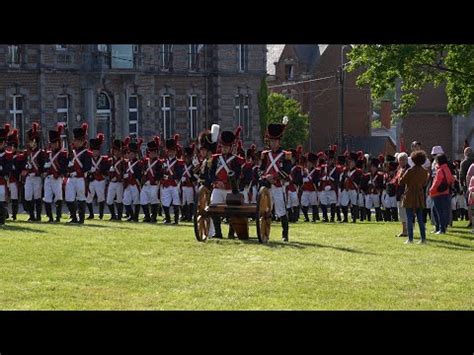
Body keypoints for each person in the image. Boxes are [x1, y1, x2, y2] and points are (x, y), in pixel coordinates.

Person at [259, 120, 292, 241]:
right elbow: (260, 170)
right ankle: (265, 233)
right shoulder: (265, 155)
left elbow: (286, 171)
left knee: (281, 210)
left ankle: (285, 234)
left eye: (275, 141)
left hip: (277, 186)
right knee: (265, 211)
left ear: (279, 141)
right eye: (271, 141)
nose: (273, 144)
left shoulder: (285, 155)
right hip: (266, 186)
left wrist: (275, 177)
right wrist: (265, 177)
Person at [399, 150, 430, 244]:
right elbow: (424, 183)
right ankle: (423, 239)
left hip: (409, 195)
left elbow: (401, 181)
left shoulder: (410, 170)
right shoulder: (425, 171)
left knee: (409, 218)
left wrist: (401, 173)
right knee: (420, 219)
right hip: (420, 195)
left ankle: (410, 239)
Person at [65, 123, 92, 224]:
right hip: (71, 178)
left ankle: (81, 219)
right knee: (69, 198)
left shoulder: (86, 153)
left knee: (81, 198)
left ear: (82, 141)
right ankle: (74, 217)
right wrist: (69, 165)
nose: (76, 142)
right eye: (75, 140)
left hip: (80, 179)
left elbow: (87, 167)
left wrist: (78, 171)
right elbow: (67, 165)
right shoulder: (72, 152)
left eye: (78, 141)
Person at [43, 124, 68, 223]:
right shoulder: (48, 154)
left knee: (58, 197)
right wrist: (45, 170)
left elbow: (64, 167)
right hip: (48, 178)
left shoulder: (62, 154)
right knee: (47, 198)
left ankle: (58, 216)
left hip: (57, 178)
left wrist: (58, 174)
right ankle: (50, 217)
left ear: (59, 143)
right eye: (52, 143)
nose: (53, 145)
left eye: (55, 143)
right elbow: (44, 166)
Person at [86, 133, 110, 220]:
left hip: (100, 180)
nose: (95, 153)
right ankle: (91, 214)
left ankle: (101, 215)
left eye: (96, 151)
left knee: (101, 197)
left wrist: (100, 170)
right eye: (93, 151)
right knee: (89, 198)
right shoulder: (88, 160)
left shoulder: (103, 159)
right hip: (92, 180)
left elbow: (106, 170)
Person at [429, 154, 454, 234]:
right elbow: (451, 179)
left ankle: (441, 229)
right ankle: (440, 228)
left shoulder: (440, 170)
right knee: (443, 211)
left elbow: (436, 182)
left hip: (437, 193)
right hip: (445, 192)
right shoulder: (447, 168)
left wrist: (431, 190)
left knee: (438, 211)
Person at [394, 152, 409, 237]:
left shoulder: (408, 169)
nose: (401, 161)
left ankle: (406, 231)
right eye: (400, 160)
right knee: (401, 214)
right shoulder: (400, 169)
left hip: (405, 194)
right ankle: (404, 230)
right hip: (399, 193)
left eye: (403, 160)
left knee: (405, 213)